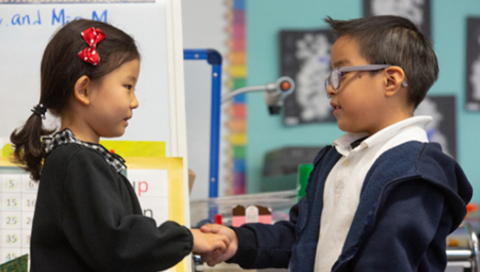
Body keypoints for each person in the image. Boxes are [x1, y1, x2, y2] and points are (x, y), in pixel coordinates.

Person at [199, 15, 473, 272]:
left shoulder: (417, 173)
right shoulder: (336, 158)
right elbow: (302, 236)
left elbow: (386, 260)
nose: (330, 87)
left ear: (390, 81)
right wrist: (239, 241)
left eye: (341, 74)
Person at [10, 19, 229, 272]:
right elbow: (117, 245)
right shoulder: (77, 161)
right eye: (128, 86)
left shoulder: (82, 159)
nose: (135, 101)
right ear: (84, 90)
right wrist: (186, 238)